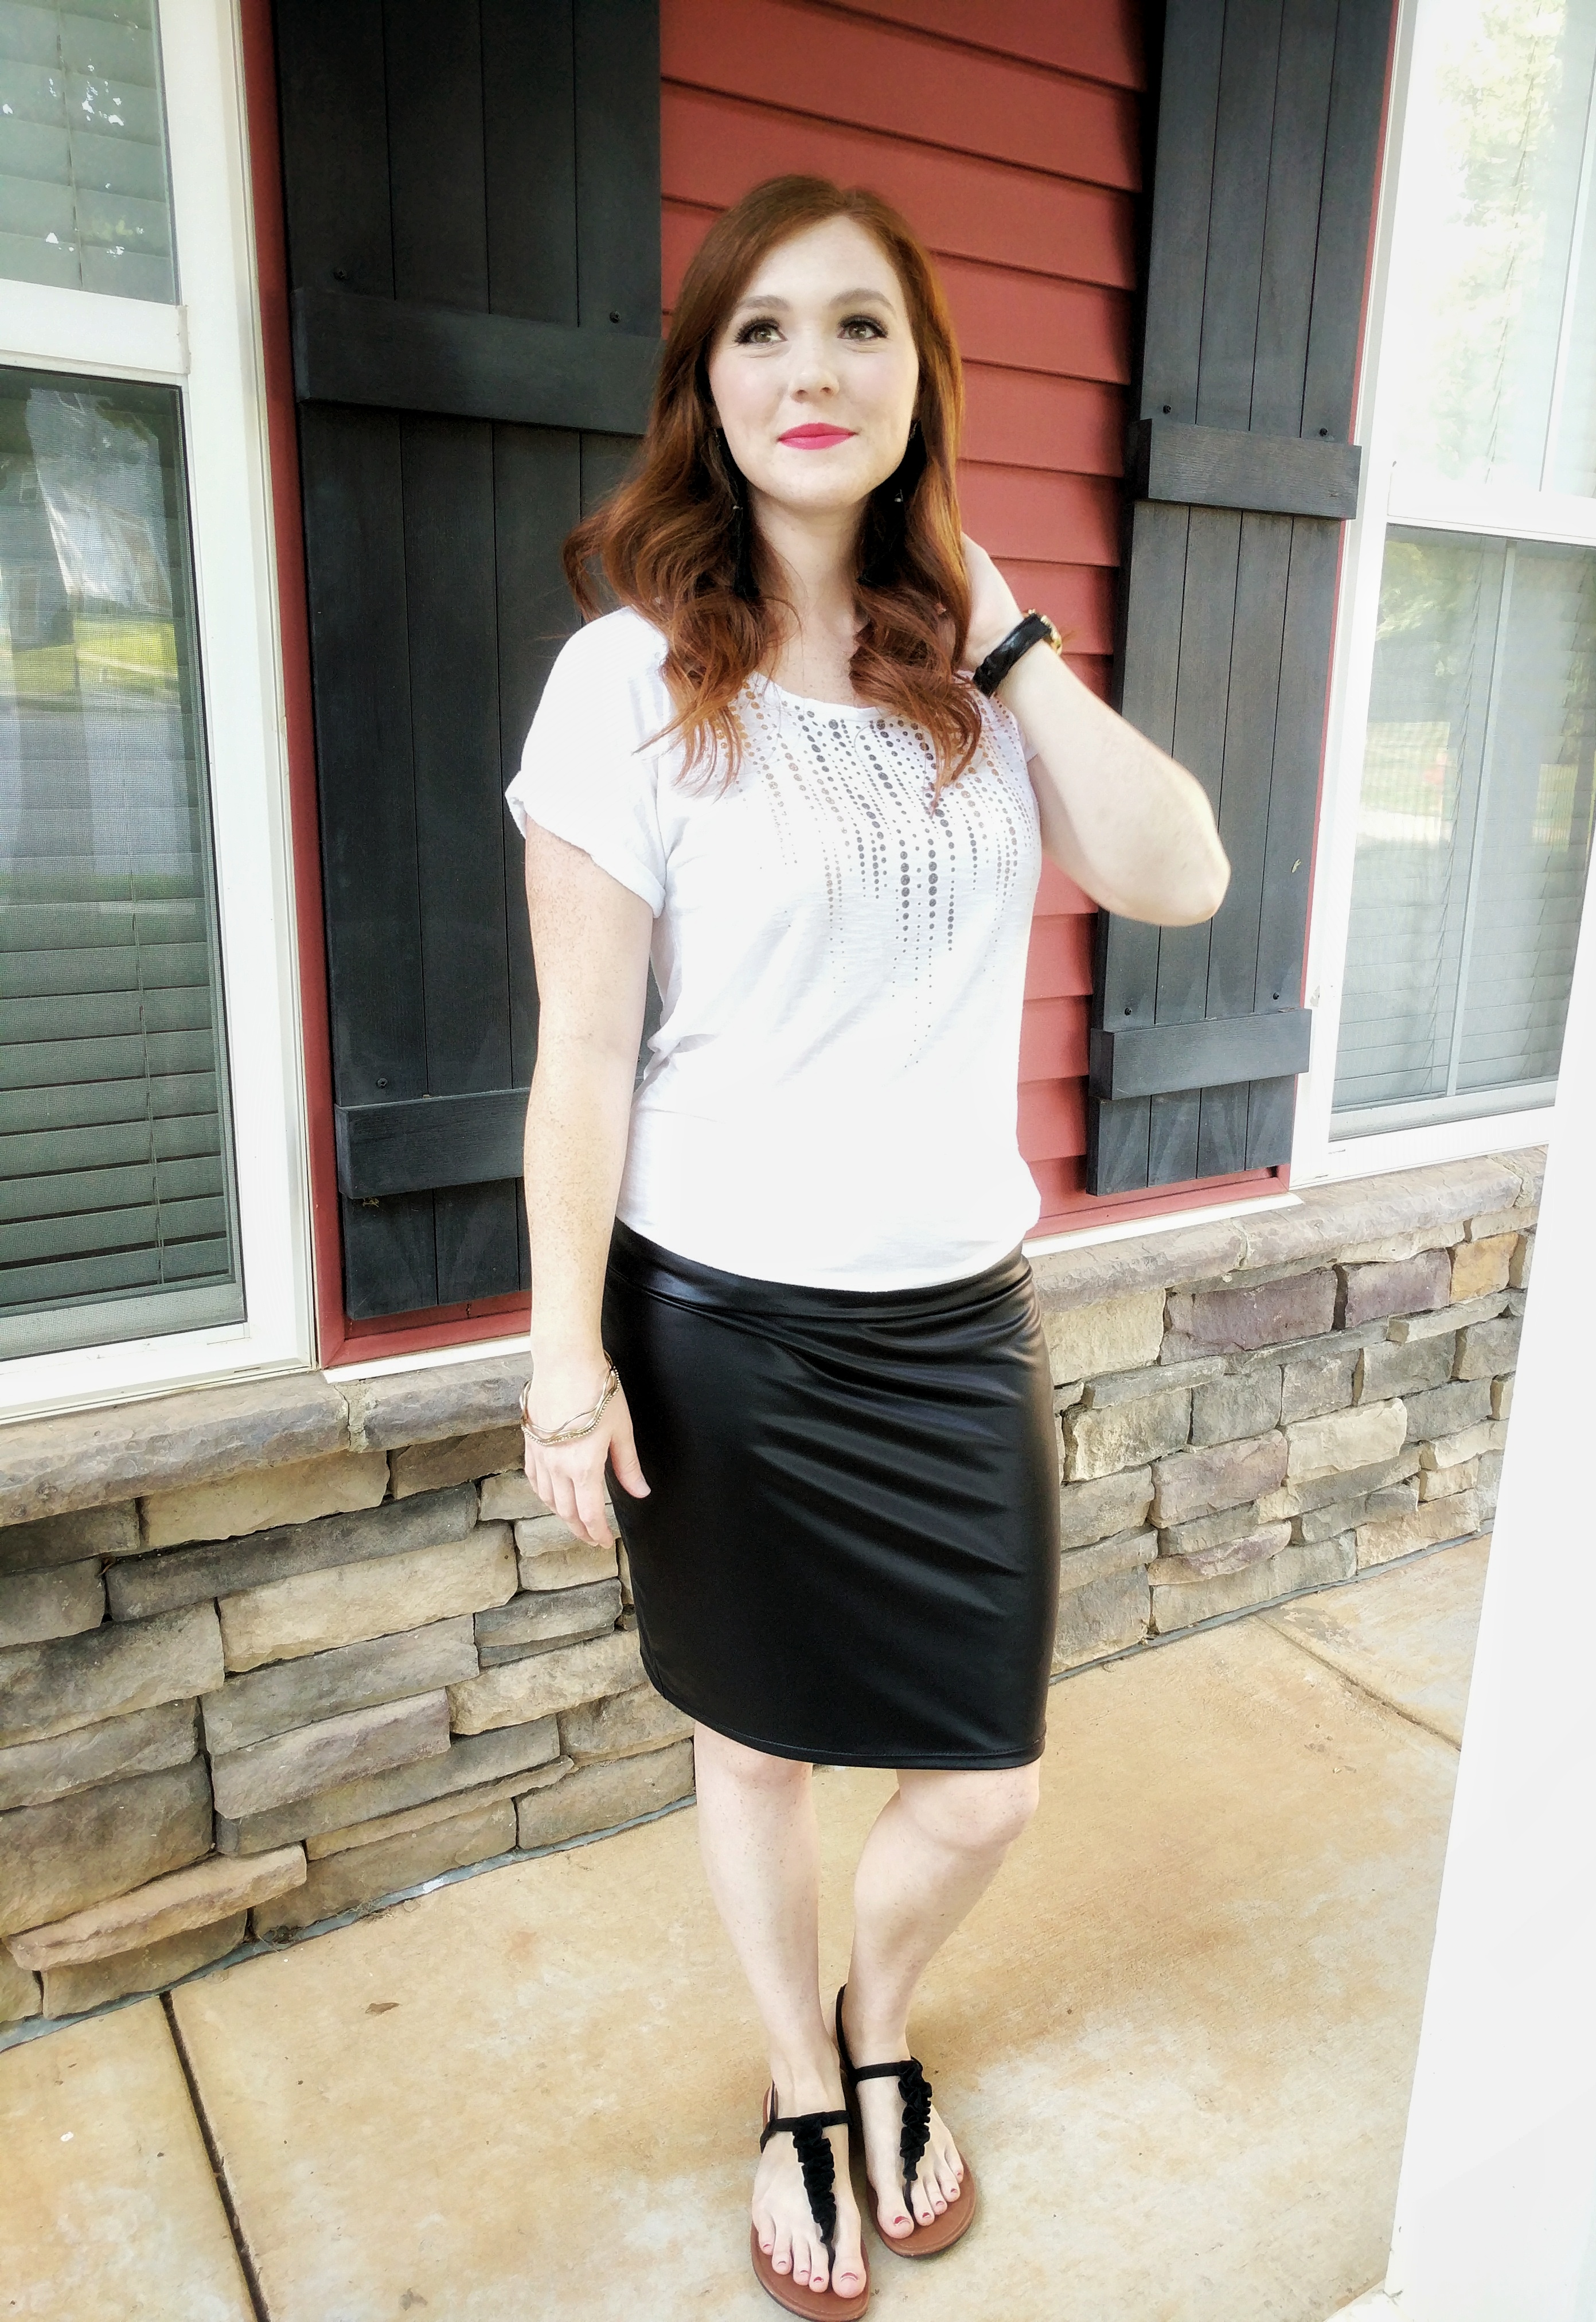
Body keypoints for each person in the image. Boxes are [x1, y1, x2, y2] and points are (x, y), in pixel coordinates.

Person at [507, 173, 1228, 2320]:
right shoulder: (623, 681)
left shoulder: (973, 672)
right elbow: (580, 1060)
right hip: (720, 1327)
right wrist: (568, 1354)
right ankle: (803, 2075)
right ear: (702, 382)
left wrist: (1003, 629)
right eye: (759, 333)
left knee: (984, 1792)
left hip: (947, 1325)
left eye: (856, 331)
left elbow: (1178, 876)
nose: (806, 373)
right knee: (757, 1749)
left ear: (919, 377)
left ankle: (885, 2015)